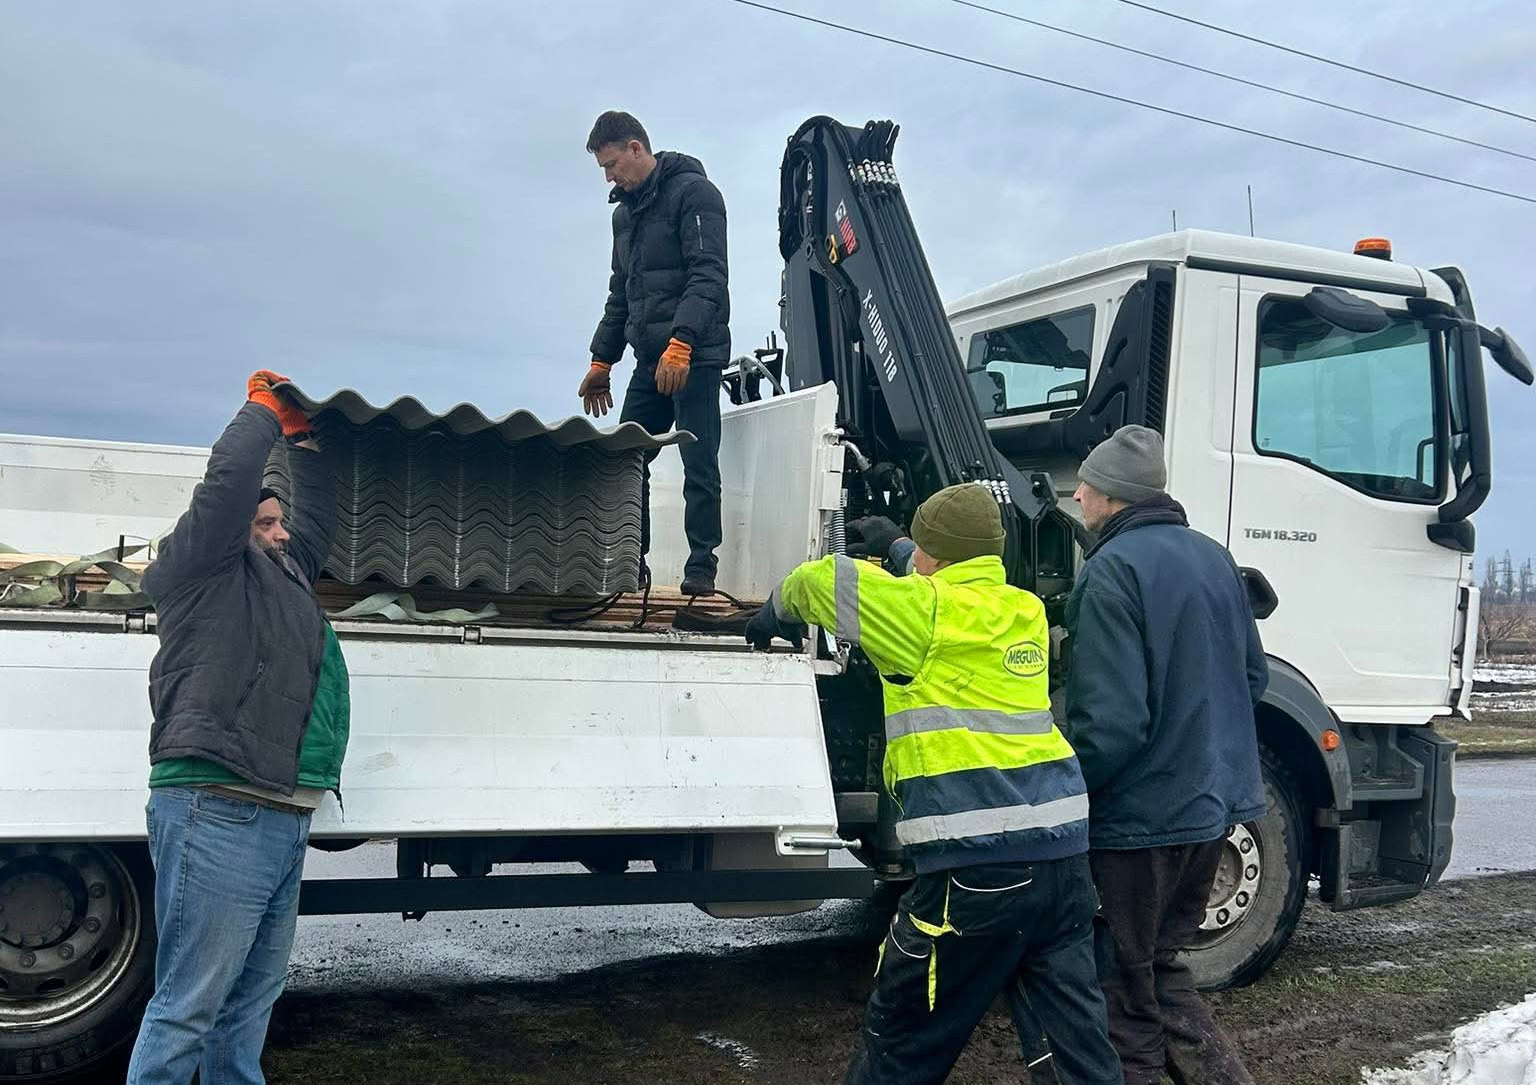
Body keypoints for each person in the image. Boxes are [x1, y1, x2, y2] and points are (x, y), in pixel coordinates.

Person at [747, 485, 1123, 1085]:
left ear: (937, 558)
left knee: (902, 1044)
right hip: (1063, 864)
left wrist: (771, 612)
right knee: (1076, 1052)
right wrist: (900, 548)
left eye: (922, 548)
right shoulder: (1022, 610)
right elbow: (948, 591)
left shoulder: (922, 615)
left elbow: (822, 580)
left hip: (976, 872)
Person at [127, 371, 351, 1085]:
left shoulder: (285, 577)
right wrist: (262, 412)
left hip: (280, 812)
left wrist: (307, 444)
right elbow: (227, 490)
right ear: (233, 535)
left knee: (249, 1005)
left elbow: (318, 519)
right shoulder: (202, 569)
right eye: (265, 524)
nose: (281, 533)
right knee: (189, 1007)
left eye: (281, 523)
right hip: (218, 805)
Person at [1063, 424, 1268, 1085]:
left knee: (1124, 985)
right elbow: (1253, 680)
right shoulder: (1214, 557)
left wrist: (1065, 792)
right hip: (1208, 815)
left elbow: (1112, 726)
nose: (1076, 496)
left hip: (1137, 825)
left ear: (1108, 497)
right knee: (1159, 965)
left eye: (1084, 487)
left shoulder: (1109, 572)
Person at [578, 109, 730, 597]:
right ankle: (630, 563)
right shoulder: (624, 215)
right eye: (603, 168)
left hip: (694, 356)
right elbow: (621, 292)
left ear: (636, 149)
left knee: (698, 462)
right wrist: (602, 361)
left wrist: (682, 342)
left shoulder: (695, 194)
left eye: (611, 163)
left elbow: (708, 274)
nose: (608, 176)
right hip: (649, 361)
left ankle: (701, 569)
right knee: (628, 458)